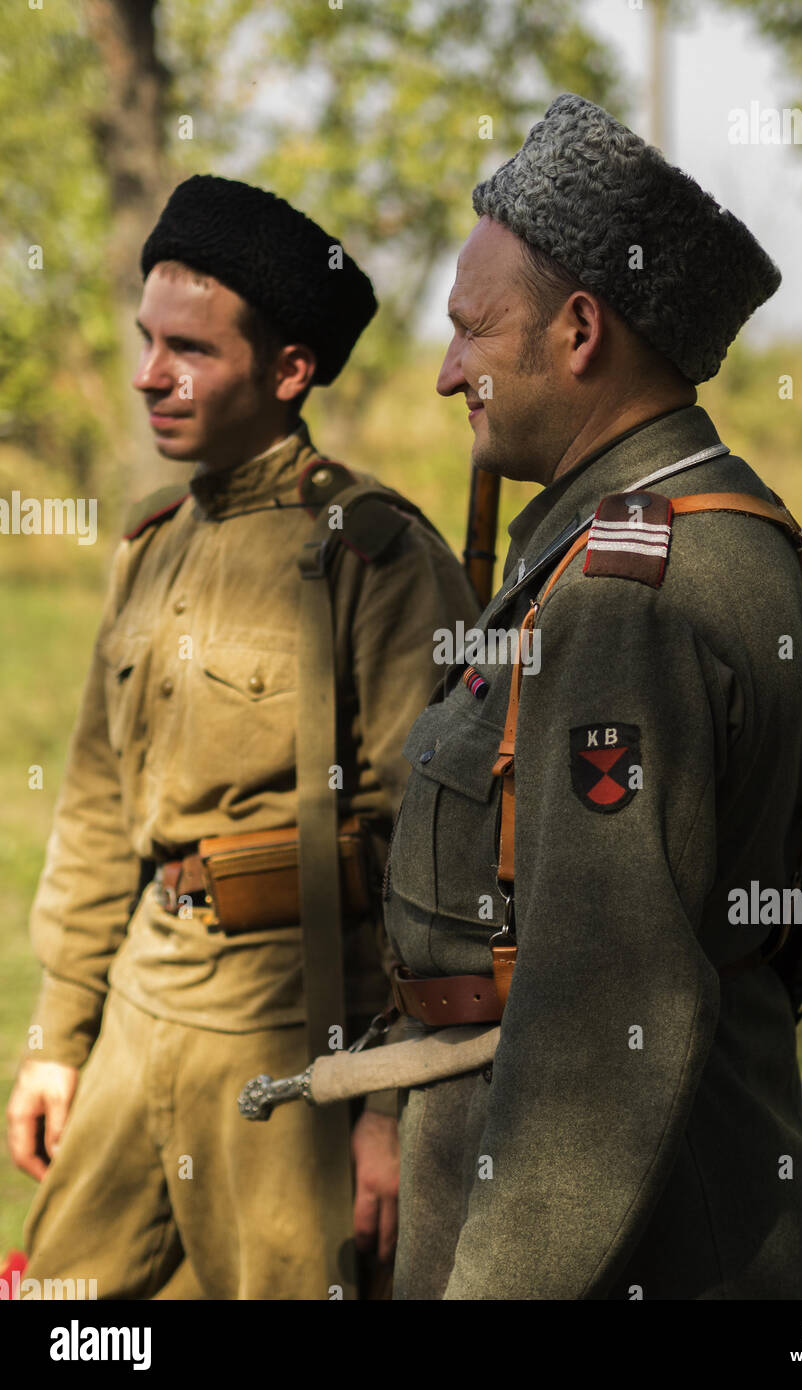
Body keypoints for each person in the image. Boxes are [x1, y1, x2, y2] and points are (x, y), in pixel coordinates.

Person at [383, 94, 802, 1299]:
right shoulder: (709, 525)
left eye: (472, 332)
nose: (447, 375)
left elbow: (602, 1013)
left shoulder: (625, 594)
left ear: (580, 330)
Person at [5, 174, 479, 1299]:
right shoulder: (152, 544)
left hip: (289, 1030)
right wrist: (56, 1039)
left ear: (290, 371)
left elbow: (438, 857)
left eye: (190, 351)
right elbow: (94, 808)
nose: (146, 376)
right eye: (145, 341)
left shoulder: (379, 558)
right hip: (139, 1005)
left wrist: (386, 1109)